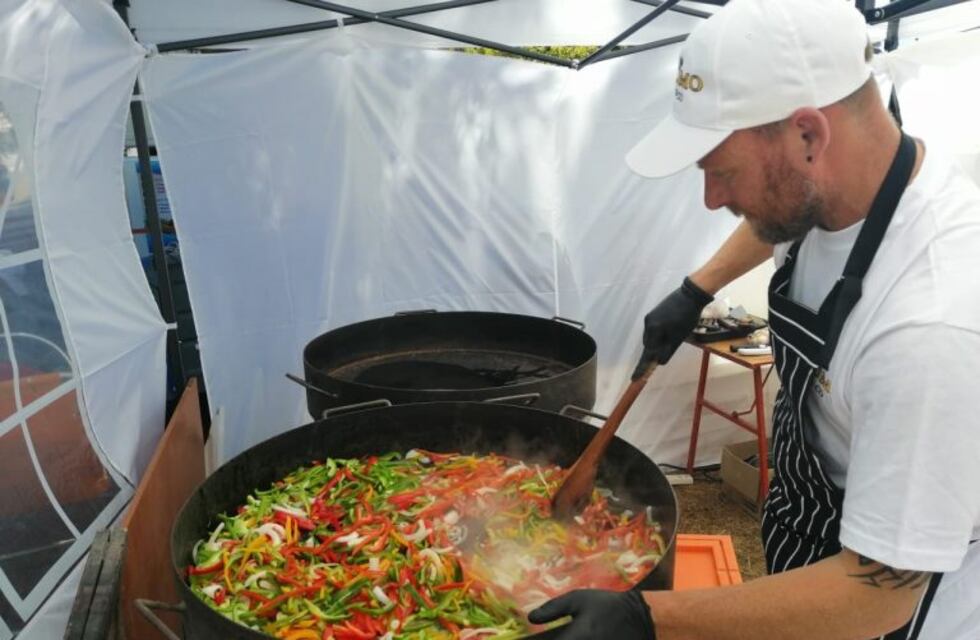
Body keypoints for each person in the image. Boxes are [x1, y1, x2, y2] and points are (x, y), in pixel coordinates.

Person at [528, 0, 980, 638]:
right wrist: (698, 288)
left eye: (722, 172)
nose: (712, 198)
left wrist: (644, 616)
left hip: (883, 604)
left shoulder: (929, 325)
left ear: (808, 135)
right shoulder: (838, 188)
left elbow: (878, 594)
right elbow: (781, 222)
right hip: (808, 517)